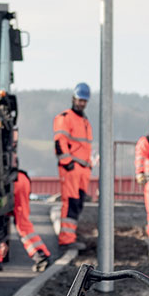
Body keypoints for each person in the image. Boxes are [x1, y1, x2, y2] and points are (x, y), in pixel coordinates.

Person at [53, 83, 93, 249]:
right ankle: (66, 239)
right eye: (79, 100)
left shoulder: (84, 121)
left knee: (78, 203)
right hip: (72, 167)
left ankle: (71, 235)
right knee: (70, 202)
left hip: (83, 169)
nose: (82, 103)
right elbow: (60, 142)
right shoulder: (65, 118)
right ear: (74, 99)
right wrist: (67, 162)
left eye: (84, 101)